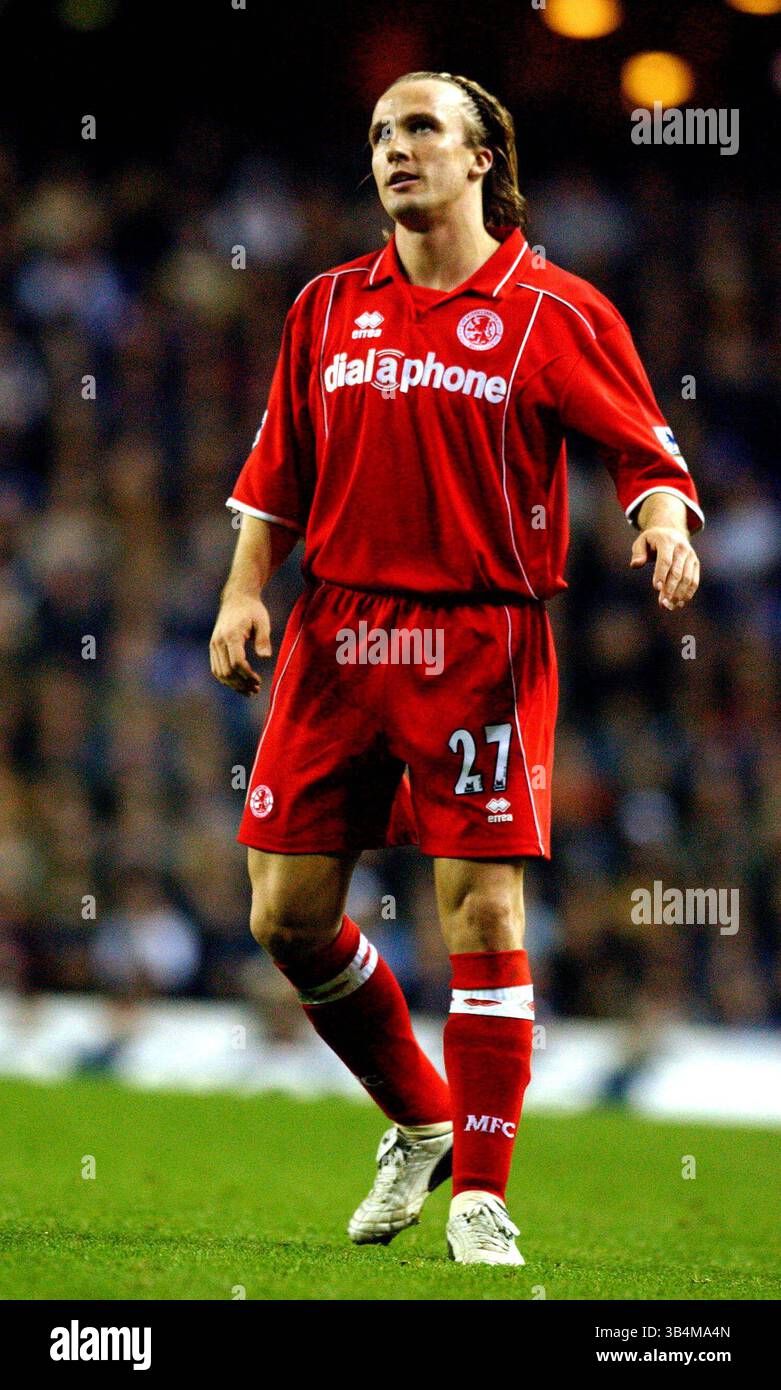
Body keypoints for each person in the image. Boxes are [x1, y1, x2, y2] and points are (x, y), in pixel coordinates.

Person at [209, 71, 703, 1266]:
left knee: (480, 910)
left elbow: (645, 451)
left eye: (421, 127)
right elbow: (280, 474)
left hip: (478, 639)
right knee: (286, 913)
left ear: (484, 156)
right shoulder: (327, 306)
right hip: (340, 636)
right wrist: (240, 590)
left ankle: (481, 1190)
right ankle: (424, 1118)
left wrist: (664, 524)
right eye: (380, 132)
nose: (394, 148)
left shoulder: (551, 310)